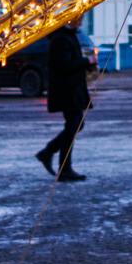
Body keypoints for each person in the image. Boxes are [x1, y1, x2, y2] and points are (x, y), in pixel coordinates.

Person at [33, 25, 92, 183]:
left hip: (71, 89)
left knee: (76, 124)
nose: (80, 21)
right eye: (78, 17)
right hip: (67, 90)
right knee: (74, 124)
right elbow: (64, 65)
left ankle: (50, 153)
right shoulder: (61, 39)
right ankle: (63, 167)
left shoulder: (67, 36)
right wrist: (86, 61)